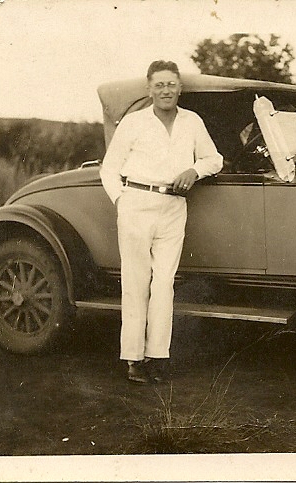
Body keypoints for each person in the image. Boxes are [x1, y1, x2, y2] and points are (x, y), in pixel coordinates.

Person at [100, 60, 223, 384]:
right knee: (136, 283)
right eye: (159, 84)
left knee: (165, 284)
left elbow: (214, 158)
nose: (166, 90)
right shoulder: (133, 122)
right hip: (136, 205)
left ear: (180, 87)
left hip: (173, 208)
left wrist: (193, 171)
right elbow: (109, 168)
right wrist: (122, 200)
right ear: (149, 88)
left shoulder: (192, 122)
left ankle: (158, 356)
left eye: (171, 84)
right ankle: (133, 358)